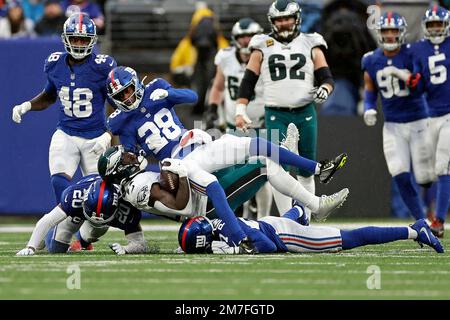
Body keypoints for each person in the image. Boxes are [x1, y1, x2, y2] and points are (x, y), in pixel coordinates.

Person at [105, 65, 348, 250]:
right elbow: (134, 157)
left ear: (136, 83)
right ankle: (240, 238)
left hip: (196, 143)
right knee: (213, 183)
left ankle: (318, 171)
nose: (127, 97)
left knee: (255, 145)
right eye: (121, 94)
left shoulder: (155, 88)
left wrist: (169, 94)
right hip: (180, 162)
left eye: (128, 90)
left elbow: (191, 97)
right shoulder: (120, 121)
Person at [234, 0, 335, 221]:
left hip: (305, 111)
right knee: (278, 167)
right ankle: (288, 220)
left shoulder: (311, 42)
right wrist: (240, 109)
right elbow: (248, 81)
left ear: (297, 18)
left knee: (307, 167)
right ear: (272, 21)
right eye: (279, 19)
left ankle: (305, 221)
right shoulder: (262, 44)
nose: (283, 23)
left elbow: (326, 77)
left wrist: (325, 90)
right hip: (276, 114)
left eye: (287, 18)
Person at [12, 12, 116, 205]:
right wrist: (27, 105)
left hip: (95, 136)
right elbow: (49, 95)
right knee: (59, 183)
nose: (78, 44)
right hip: (66, 133)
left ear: (92, 41)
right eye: (74, 38)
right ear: (65, 39)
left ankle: (84, 233)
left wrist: (109, 134)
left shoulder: (102, 67)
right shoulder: (55, 63)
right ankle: (62, 229)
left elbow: (118, 105)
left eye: (83, 40)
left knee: (99, 198)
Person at [361, 11, 434, 221]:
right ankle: (422, 220)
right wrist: (369, 107)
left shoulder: (412, 54)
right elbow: (370, 88)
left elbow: (421, 86)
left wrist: (407, 77)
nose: (391, 35)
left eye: (394, 30)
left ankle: (435, 212)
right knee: (399, 173)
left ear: (401, 32)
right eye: (386, 30)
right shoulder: (371, 60)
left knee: (425, 176)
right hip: (393, 125)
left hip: (419, 121)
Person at [206, 17, 279, 219]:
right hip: (234, 125)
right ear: (235, 39)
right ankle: (244, 215)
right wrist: (212, 108)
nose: (247, 41)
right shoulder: (226, 57)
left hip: (263, 123)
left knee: (264, 172)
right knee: (236, 173)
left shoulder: (268, 55)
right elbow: (218, 86)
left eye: (250, 37)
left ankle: (265, 218)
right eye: (242, 37)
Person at [177, 208, 444, 255]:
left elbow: (266, 247)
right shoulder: (217, 224)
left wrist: (237, 249)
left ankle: (413, 230)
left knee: (350, 239)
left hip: (283, 236)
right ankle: (300, 210)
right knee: (290, 220)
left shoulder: (225, 233)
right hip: (273, 225)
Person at [16, 175, 149, 255]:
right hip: (78, 213)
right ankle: (46, 239)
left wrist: (126, 249)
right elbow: (47, 220)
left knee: (90, 234)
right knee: (55, 248)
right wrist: (31, 247)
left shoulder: (127, 209)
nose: (96, 219)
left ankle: (83, 241)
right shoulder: (75, 196)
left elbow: (140, 244)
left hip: (100, 222)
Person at [405, 5, 450, 236]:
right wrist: (415, 83)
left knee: (443, 167)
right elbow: (419, 84)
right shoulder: (418, 49)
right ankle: (428, 214)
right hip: (429, 114)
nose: (434, 29)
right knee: (426, 172)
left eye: (438, 24)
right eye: (431, 25)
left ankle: (439, 220)